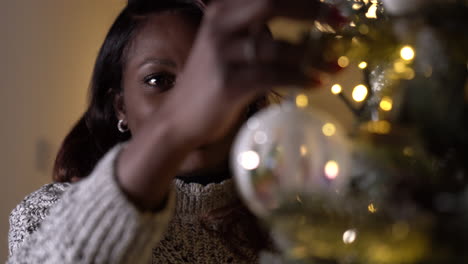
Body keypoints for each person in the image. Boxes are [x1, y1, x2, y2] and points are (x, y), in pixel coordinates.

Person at [7, 0, 344, 263]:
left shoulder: (303, 232)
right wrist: (173, 129)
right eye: (159, 80)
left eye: (214, 78)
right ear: (120, 107)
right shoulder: (44, 216)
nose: (200, 101)